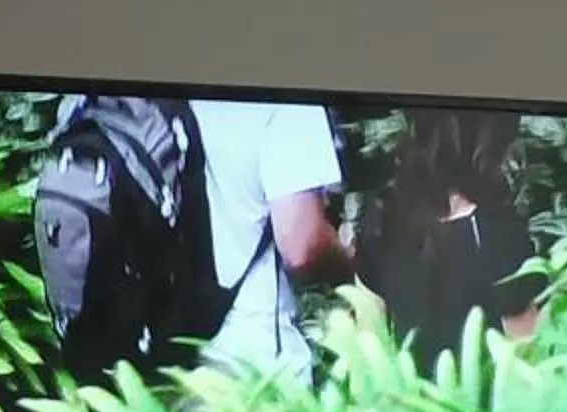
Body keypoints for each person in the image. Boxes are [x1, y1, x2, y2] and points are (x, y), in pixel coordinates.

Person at [354, 108, 547, 374]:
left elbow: (367, 350)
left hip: (406, 407)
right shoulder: (499, 232)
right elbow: (526, 363)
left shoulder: (381, 216)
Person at [188, 99, 352, 382]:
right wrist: (355, 262)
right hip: (252, 364)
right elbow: (303, 247)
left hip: (158, 356)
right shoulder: (290, 103)